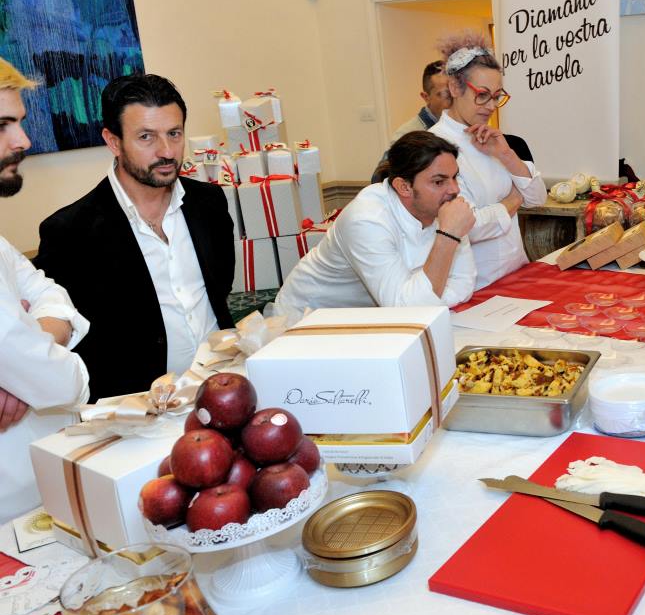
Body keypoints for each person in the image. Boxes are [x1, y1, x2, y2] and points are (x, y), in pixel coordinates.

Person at [36, 75, 234, 402]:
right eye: (146, 137)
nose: (166, 151)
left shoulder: (209, 203)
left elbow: (220, 287)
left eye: (174, 133)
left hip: (223, 387)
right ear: (113, 142)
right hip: (136, 410)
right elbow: (72, 339)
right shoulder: (70, 232)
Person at [0, 57, 90, 523]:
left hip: (39, 488)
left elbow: (54, 296)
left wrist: (24, 358)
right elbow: (62, 383)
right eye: (2, 125)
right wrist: (33, 370)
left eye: (18, 122)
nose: (23, 141)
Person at [275, 131, 476, 312]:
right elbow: (407, 310)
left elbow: (463, 283)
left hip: (373, 318)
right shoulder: (366, 218)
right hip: (309, 319)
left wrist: (426, 299)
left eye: (454, 177)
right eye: (439, 182)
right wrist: (447, 236)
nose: (454, 189)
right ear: (404, 187)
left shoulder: (445, 209)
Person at [429, 32, 546, 288]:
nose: (491, 106)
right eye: (482, 95)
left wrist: (506, 155)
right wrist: (513, 200)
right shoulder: (434, 146)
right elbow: (465, 226)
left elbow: (538, 198)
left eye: (496, 96)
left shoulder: (491, 139)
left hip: (516, 273)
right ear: (455, 88)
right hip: (477, 285)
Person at [371, 61, 454, 183]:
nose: (454, 99)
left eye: (457, 92)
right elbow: (379, 178)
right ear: (426, 97)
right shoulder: (407, 134)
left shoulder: (466, 127)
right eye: (446, 94)